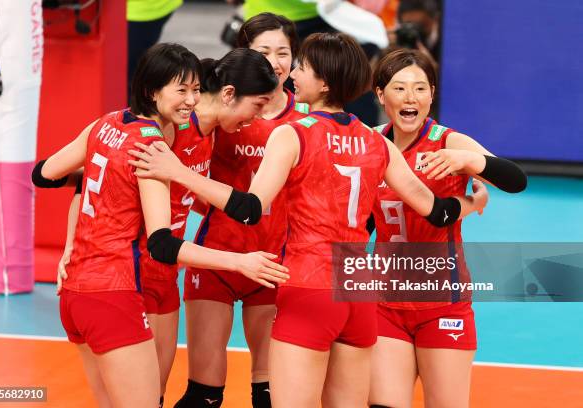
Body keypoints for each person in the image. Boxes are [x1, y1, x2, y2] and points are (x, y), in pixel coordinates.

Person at [128, 33, 487, 407]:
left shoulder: (293, 133)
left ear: (325, 82)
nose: (292, 74)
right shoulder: (376, 140)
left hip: (309, 285)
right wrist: (470, 201)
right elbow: (437, 210)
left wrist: (181, 174)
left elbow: (250, 208)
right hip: (357, 292)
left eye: (302, 67)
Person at [31, 43, 288, 408]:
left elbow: (69, 175)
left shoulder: (204, 132)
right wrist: (70, 245)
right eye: (258, 105)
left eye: (195, 90)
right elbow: (98, 183)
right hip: (129, 274)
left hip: (159, 279)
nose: (259, 116)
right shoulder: (162, 134)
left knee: (155, 396)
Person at [368, 48, 527, 408]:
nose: (411, 98)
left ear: (432, 94)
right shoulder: (371, 142)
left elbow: (515, 180)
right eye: (399, 88)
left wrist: (471, 160)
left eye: (420, 88)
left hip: (442, 303)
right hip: (384, 302)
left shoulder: (447, 141)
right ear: (380, 94)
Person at [175, 13, 305, 408]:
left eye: (283, 52)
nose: (275, 61)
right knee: (204, 395)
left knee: (268, 394)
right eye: (263, 51)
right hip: (217, 256)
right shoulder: (214, 114)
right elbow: (188, 173)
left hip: (272, 264)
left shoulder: (306, 119)